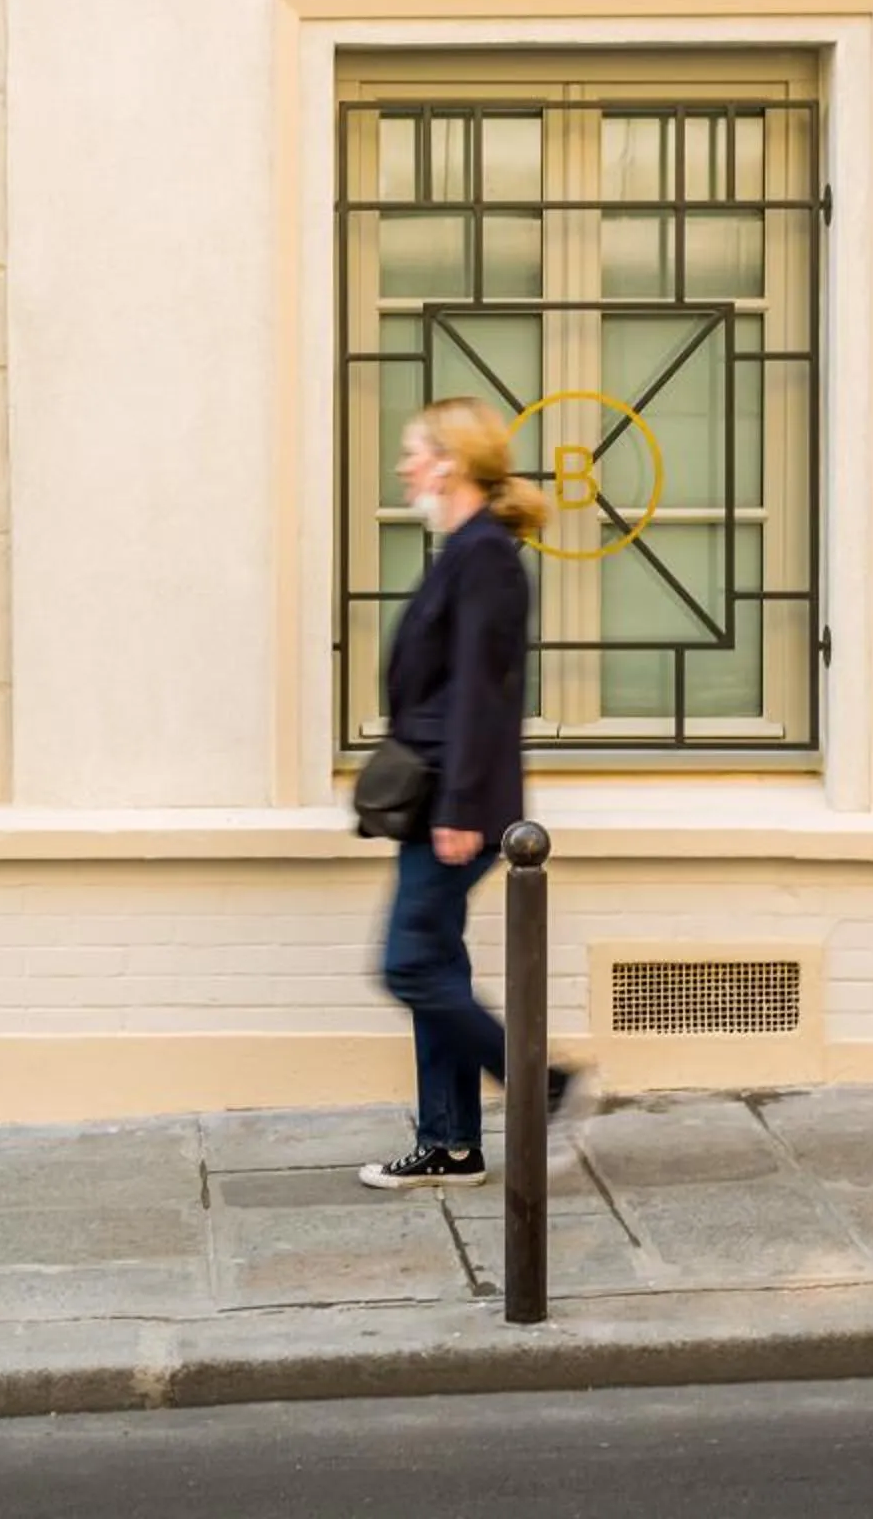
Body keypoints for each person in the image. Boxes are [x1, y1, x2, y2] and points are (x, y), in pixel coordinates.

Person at [359, 398, 585, 1189]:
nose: (403, 466)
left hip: (457, 806)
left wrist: (459, 807)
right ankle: (451, 1142)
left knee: (409, 966)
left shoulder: (484, 554)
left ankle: (542, 1084)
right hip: (436, 801)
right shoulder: (463, 549)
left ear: (450, 461)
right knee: (437, 965)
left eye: (413, 451)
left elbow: (482, 698)